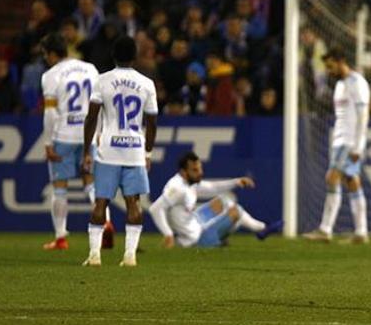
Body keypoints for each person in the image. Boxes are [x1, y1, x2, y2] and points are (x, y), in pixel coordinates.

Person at [82, 37, 158, 267]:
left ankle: (95, 255)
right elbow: (152, 122)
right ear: (134, 57)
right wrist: (148, 153)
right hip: (134, 150)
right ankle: (130, 255)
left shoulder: (102, 80)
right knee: (133, 202)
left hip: (108, 151)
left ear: (113, 56)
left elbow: (92, 117)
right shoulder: (147, 83)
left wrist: (87, 150)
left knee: (100, 203)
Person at [39, 34, 114, 250]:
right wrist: (99, 131)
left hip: (63, 134)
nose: (45, 59)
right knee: (91, 182)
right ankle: (106, 221)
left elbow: (50, 112)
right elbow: (99, 102)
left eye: (45, 54)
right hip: (88, 134)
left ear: (53, 54)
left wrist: (47, 142)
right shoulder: (90, 69)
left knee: (59, 187)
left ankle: (61, 237)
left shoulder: (50, 75)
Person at [302, 47, 371, 244]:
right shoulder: (340, 84)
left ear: (341, 61)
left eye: (331, 66)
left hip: (350, 142)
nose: (329, 70)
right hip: (340, 140)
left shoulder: (357, 83)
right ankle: (361, 232)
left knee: (332, 177)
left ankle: (325, 229)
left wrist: (358, 146)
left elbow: (363, 116)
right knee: (351, 181)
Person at [149, 151, 282, 248]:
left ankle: (261, 230)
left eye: (200, 168)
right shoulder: (177, 188)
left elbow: (212, 187)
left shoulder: (188, 183)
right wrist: (168, 234)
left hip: (196, 223)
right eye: (195, 170)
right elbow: (155, 208)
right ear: (184, 172)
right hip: (196, 240)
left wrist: (237, 182)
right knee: (236, 212)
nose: (200, 172)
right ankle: (262, 229)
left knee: (223, 201)